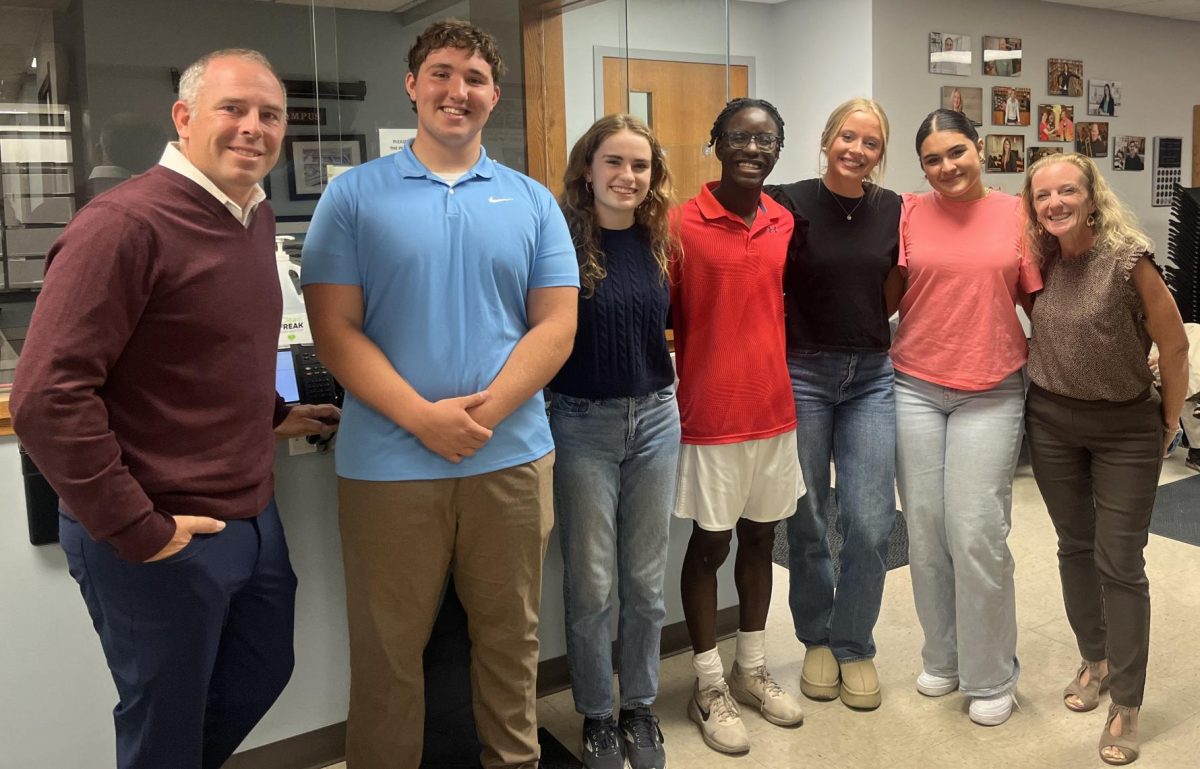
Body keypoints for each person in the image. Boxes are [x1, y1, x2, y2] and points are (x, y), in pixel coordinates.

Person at [10, 49, 340, 769]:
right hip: (160, 532)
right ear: (184, 118)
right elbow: (45, 398)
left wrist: (270, 412)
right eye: (234, 109)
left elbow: (205, 351)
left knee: (260, 672)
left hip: (252, 515)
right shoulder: (123, 225)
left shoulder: (248, 216)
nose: (253, 127)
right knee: (164, 718)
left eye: (270, 114)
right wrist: (139, 528)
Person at [300, 20, 579, 769]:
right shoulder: (352, 198)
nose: (459, 91)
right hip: (387, 466)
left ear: (494, 93)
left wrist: (479, 416)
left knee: (511, 639)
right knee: (387, 649)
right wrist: (422, 418)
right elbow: (335, 330)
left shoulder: (531, 202)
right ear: (413, 84)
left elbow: (555, 326)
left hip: (511, 458)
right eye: (443, 73)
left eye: (476, 78)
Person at [1022, 153, 1188, 765]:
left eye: (1068, 191)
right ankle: (1094, 657)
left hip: (1123, 427)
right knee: (1073, 544)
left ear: (1092, 195)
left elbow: (1172, 345)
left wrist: (1168, 421)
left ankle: (1127, 701)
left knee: (1120, 561)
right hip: (1052, 422)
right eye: (1044, 196)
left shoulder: (1129, 261)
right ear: (1032, 205)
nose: (1056, 203)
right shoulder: (1040, 256)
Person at [893, 109, 1042, 728]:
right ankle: (944, 656)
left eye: (957, 152)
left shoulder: (1016, 214)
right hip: (915, 386)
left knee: (976, 531)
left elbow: (1040, 299)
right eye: (932, 159)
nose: (946, 167)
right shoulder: (906, 211)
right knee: (925, 532)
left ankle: (992, 674)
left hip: (992, 388)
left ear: (980, 149)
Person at [673, 97, 806, 755]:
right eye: (740, 136)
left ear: (779, 148)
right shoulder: (679, 224)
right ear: (715, 141)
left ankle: (750, 669)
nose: (753, 148)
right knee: (708, 548)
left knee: (762, 543)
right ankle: (706, 683)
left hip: (774, 413)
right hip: (710, 419)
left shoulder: (785, 221)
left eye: (766, 139)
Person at [549, 113, 680, 769]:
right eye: (615, 162)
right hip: (579, 422)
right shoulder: (558, 242)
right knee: (594, 582)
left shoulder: (661, 241)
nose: (627, 176)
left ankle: (640, 707)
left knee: (646, 583)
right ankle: (598, 712)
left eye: (640, 165)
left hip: (657, 416)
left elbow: (673, 324)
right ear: (587, 169)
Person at [765, 98, 902, 712]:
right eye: (848, 137)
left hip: (873, 373)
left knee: (872, 520)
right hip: (804, 371)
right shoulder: (788, 201)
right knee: (810, 513)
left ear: (880, 154)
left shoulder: (894, 209)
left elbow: (895, 286)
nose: (857, 150)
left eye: (870, 143)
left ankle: (855, 641)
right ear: (826, 139)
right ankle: (816, 636)